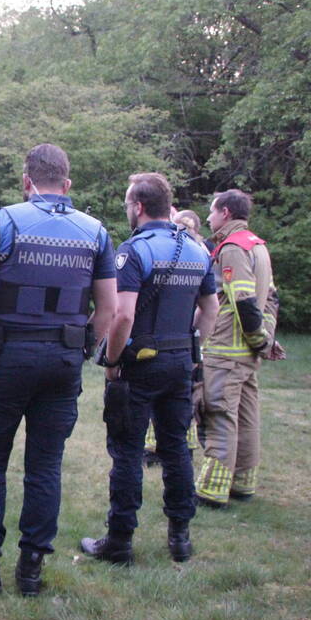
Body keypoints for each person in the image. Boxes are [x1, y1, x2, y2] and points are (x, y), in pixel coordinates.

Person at [0, 143, 117, 596]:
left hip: (7, 360)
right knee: (45, 468)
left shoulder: (5, 220)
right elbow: (110, 310)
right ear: (68, 184)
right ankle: (32, 573)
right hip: (62, 363)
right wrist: (81, 351)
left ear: (26, 181)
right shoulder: (95, 231)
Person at [80, 173, 218, 564]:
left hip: (138, 363)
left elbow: (122, 317)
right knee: (176, 448)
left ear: (138, 207)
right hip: (180, 363)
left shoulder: (133, 251)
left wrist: (111, 361)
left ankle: (119, 541)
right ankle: (180, 538)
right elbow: (211, 309)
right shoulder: (196, 248)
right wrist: (193, 349)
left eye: (127, 205)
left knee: (126, 450)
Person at [195, 189, 281, 508]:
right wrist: (265, 339)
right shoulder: (258, 247)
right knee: (246, 417)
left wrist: (259, 338)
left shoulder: (231, 248)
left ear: (226, 213)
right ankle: (243, 482)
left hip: (226, 352)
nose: (208, 217)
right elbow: (271, 298)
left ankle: (212, 490)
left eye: (212, 211)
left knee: (218, 414)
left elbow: (245, 302)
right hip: (247, 355)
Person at [143, 207, 209, 462]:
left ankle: (170, 447)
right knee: (178, 400)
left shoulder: (193, 253)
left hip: (180, 338)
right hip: (184, 342)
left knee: (180, 400)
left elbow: (208, 306)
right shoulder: (197, 254)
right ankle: (167, 447)